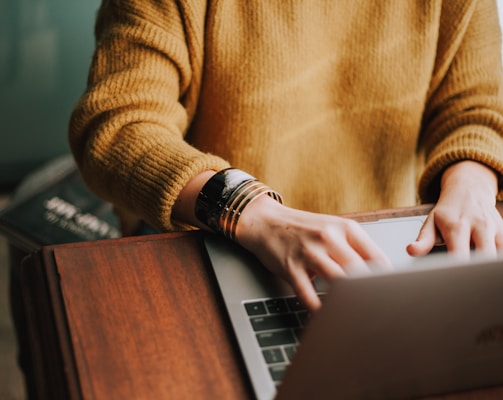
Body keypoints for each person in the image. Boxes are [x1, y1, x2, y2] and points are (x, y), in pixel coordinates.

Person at [69, 0, 503, 312]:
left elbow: (479, 107)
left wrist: (473, 182)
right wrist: (252, 211)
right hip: (215, 240)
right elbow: (118, 126)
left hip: (386, 251)